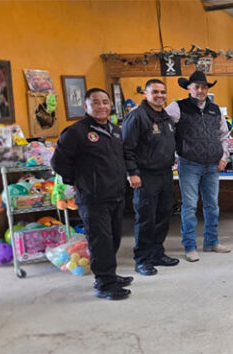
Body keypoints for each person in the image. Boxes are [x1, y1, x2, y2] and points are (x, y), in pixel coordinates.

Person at [51, 88, 132, 300]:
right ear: (86, 106)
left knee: (113, 239)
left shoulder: (115, 130)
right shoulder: (76, 132)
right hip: (92, 197)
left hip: (115, 194)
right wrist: (77, 181)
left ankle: (108, 274)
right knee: (101, 240)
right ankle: (105, 284)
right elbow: (58, 162)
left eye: (105, 102)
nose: (101, 106)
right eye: (95, 102)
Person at [165, 71, 232, 262]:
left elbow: (224, 135)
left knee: (212, 206)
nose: (200, 90)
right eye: (196, 87)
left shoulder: (215, 110)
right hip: (189, 164)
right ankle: (190, 247)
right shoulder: (177, 108)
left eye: (204, 87)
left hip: (212, 164)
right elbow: (162, 127)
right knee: (190, 207)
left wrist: (224, 158)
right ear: (189, 88)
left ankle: (211, 242)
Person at [122, 79, 180, 276]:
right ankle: (142, 259)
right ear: (146, 94)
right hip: (145, 175)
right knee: (146, 218)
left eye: (163, 92)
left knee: (163, 215)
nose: (160, 96)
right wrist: (132, 173)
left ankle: (157, 253)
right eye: (155, 92)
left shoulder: (165, 117)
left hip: (165, 174)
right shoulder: (137, 117)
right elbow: (127, 148)